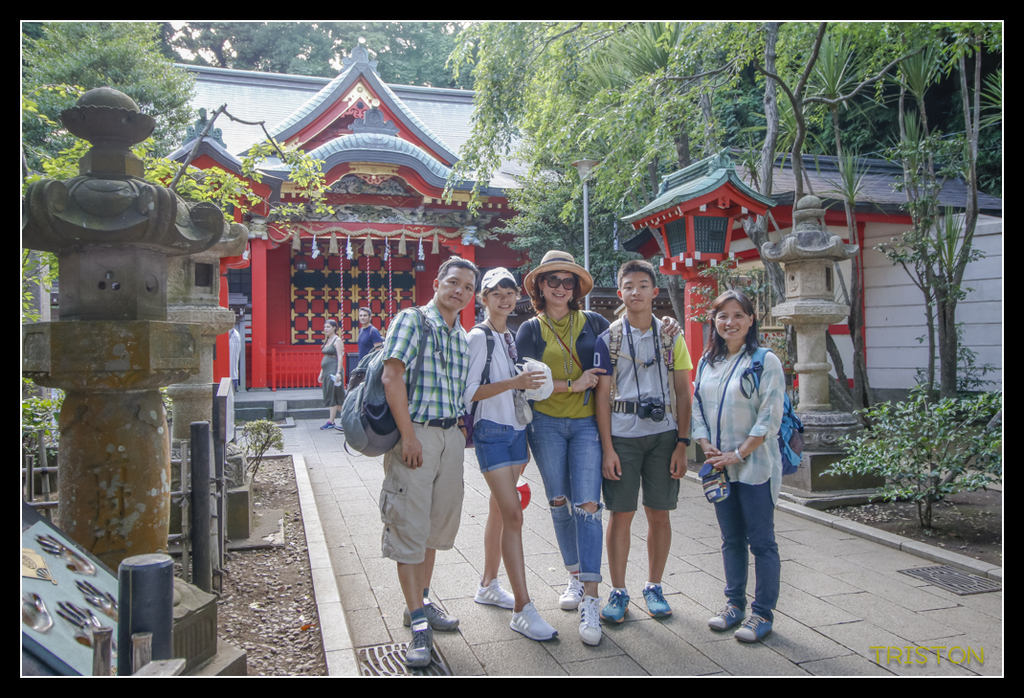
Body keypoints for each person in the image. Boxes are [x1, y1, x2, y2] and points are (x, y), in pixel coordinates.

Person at [378, 256, 479, 669]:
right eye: (453, 282)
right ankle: (418, 623)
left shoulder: (461, 334)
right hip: (417, 433)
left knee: (434, 529)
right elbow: (392, 376)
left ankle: (419, 602)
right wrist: (407, 436)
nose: (459, 291)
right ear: (437, 282)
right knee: (409, 526)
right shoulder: (412, 320)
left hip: (450, 436)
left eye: (467, 287)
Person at [593, 260, 693, 624]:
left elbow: (684, 391)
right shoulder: (608, 338)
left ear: (654, 291)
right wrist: (607, 449)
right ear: (620, 293)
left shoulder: (671, 336)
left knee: (659, 513)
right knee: (621, 514)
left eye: (643, 285)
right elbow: (601, 397)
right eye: (629, 286)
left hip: (664, 436)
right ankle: (618, 591)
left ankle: (654, 585)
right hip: (622, 436)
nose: (636, 292)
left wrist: (683, 442)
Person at [464, 268, 557, 641]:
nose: (505, 298)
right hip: (493, 432)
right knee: (513, 515)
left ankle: (488, 584)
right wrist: (516, 382)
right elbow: (470, 393)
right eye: (496, 292)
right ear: (483, 298)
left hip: (517, 430)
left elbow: (512, 385)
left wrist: (527, 384)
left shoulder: (509, 336)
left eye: (510, 292)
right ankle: (522, 607)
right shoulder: (477, 337)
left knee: (500, 512)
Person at [692, 290, 784, 644]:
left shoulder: (764, 361)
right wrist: (703, 442)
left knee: (761, 541)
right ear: (714, 321)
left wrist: (740, 452)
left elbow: (769, 415)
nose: (729, 323)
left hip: (754, 465)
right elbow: (697, 404)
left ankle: (762, 613)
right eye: (722, 316)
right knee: (730, 539)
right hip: (719, 466)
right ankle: (734, 606)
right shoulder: (707, 361)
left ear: (751, 320)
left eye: (738, 315)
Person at [318, 319, 345, 430]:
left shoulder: (337, 340)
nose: (326, 329)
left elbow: (340, 357)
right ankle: (347, 417)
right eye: (325, 327)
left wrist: (338, 372)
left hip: (334, 371)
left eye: (328, 327)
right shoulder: (327, 340)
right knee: (331, 395)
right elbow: (325, 358)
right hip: (327, 370)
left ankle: (332, 421)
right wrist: (321, 372)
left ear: (334, 328)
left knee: (334, 395)